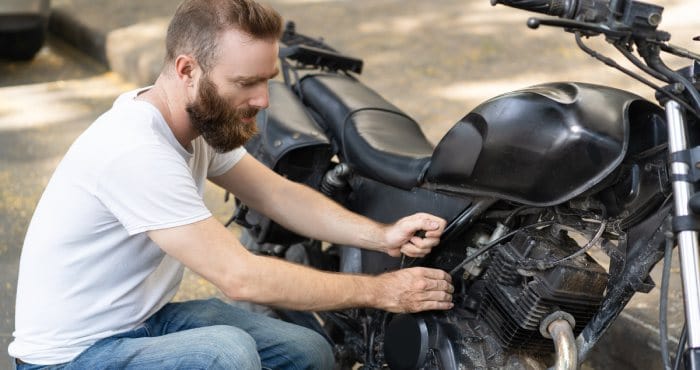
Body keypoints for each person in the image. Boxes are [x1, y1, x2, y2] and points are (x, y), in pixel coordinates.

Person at [8, 0, 454, 368]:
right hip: (69, 357)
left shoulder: (197, 122)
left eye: (266, 80)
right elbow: (240, 278)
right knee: (226, 355)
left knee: (308, 351)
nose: (262, 100)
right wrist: (383, 293)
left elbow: (277, 194)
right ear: (187, 71)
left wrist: (381, 236)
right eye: (246, 82)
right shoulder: (135, 150)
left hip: (140, 321)